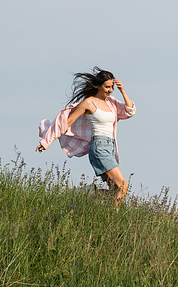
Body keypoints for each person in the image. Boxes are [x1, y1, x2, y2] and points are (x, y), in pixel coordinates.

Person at [36, 67, 135, 205]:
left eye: (112, 87)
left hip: (110, 148)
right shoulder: (88, 102)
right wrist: (46, 142)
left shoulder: (111, 102)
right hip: (99, 148)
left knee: (115, 190)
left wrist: (123, 91)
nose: (110, 90)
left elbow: (129, 111)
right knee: (123, 187)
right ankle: (114, 217)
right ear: (98, 86)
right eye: (107, 87)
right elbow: (66, 123)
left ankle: (85, 193)